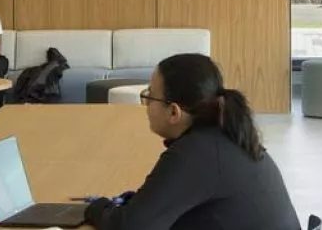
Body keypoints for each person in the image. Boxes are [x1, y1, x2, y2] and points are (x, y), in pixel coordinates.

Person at [83, 53, 301, 230]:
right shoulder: (225, 135)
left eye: (149, 96)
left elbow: (131, 226)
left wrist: (95, 207)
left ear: (174, 112)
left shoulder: (196, 153)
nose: (146, 104)